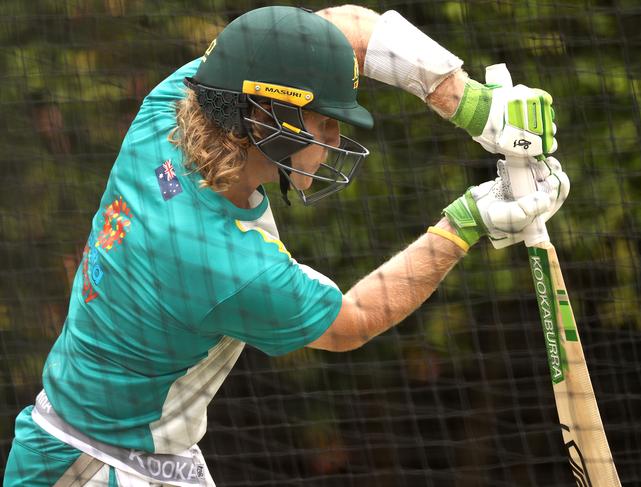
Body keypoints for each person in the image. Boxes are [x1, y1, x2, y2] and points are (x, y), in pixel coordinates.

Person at [4, 5, 568, 486]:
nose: (334, 141)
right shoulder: (229, 264)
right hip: (97, 466)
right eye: (325, 125)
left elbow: (331, 30)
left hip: (110, 445)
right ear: (267, 118)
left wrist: (474, 107)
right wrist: (466, 223)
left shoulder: (171, 107)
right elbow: (355, 320)